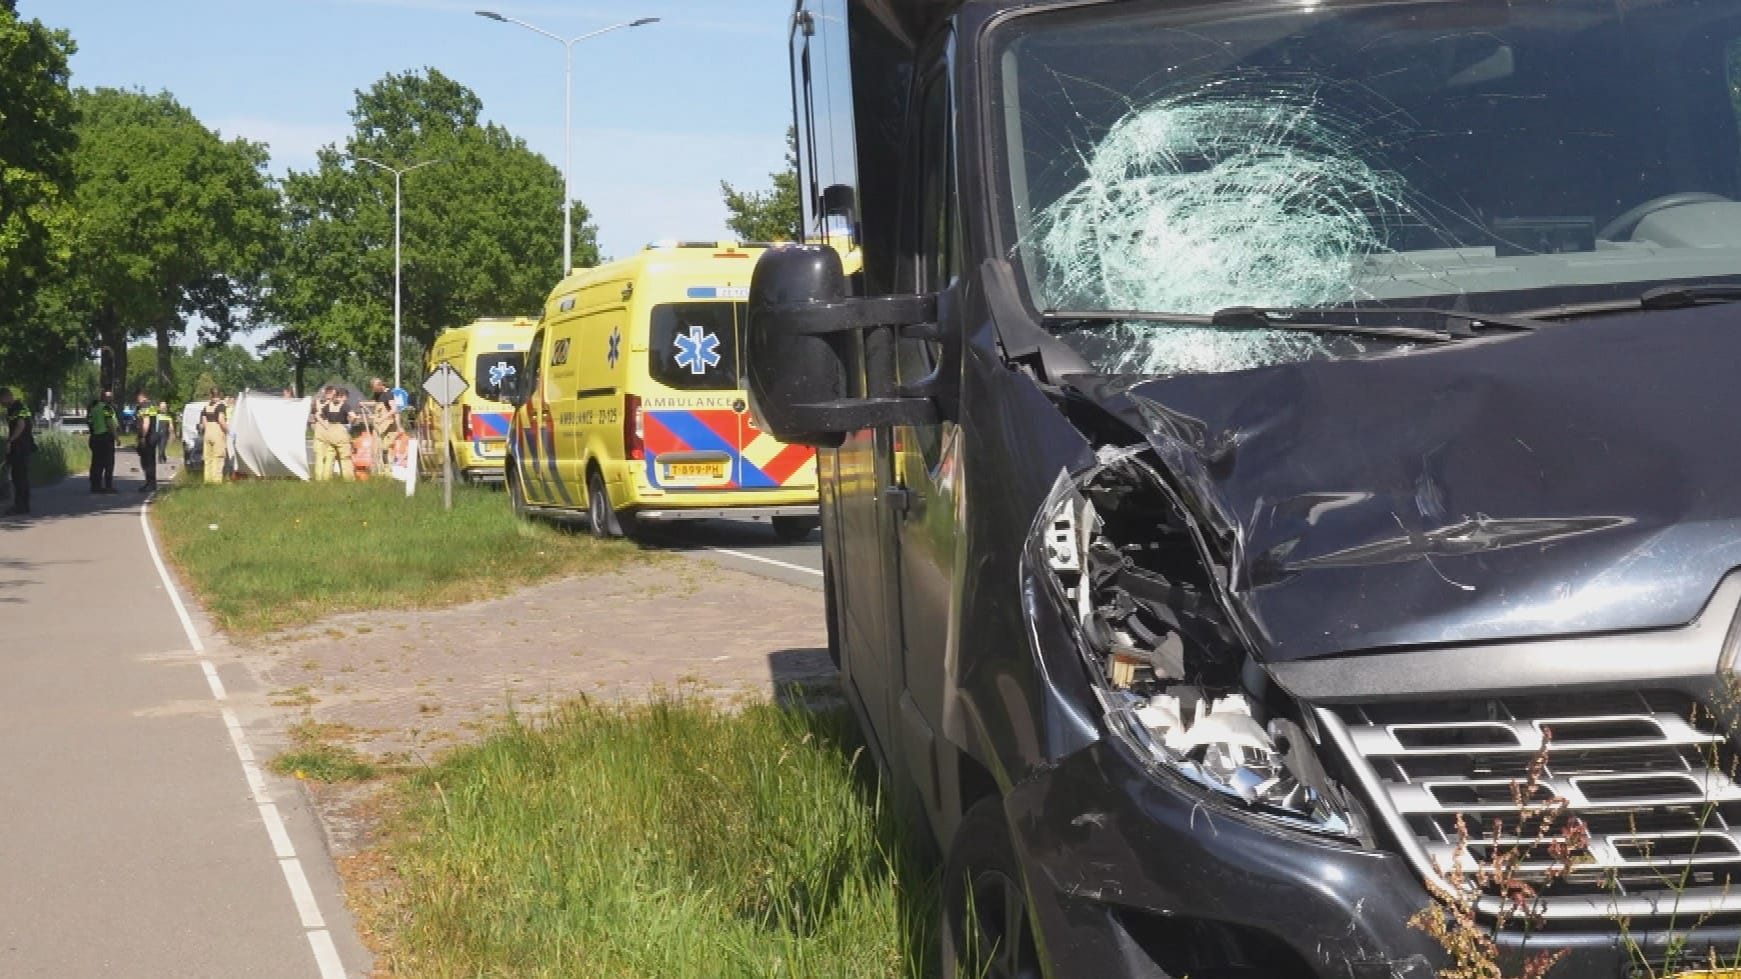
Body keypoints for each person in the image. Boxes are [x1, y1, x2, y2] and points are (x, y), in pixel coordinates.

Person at [311, 386, 356, 481]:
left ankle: (324, 479)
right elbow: (353, 416)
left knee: (328, 459)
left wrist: (325, 425)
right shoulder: (344, 406)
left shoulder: (324, 404)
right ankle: (349, 479)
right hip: (340, 433)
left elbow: (317, 414)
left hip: (329, 433)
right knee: (345, 458)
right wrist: (350, 424)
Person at [1, 387, 35, 516]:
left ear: (6, 397)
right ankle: (23, 505)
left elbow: (21, 425)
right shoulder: (16, 408)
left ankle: (20, 506)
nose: (1, 404)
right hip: (22, 447)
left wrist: (10, 440)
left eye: (1, 401)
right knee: (21, 477)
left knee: (19, 477)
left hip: (20, 447)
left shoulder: (18, 408)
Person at [87, 389, 120, 494]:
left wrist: (94, 432)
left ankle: (95, 485)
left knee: (96, 463)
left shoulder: (94, 408)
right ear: (103, 397)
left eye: (111, 396)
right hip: (105, 438)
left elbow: (89, 422)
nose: (110, 399)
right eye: (108, 397)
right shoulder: (106, 408)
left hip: (95, 438)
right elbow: (110, 423)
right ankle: (108, 486)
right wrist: (116, 438)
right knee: (108, 463)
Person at [368, 377, 402, 469]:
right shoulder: (378, 394)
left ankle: (387, 468)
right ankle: (378, 469)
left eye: (374, 388)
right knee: (376, 448)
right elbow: (376, 403)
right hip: (379, 427)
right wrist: (364, 403)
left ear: (380, 385)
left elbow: (394, 409)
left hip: (389, 426)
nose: (373, 390)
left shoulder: (389, 394)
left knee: (385, 448)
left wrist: (382, 419)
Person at [198, 388, 229, 484]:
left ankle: (207, 480)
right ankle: (216, 481)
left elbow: (203, 423)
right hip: (217, 431)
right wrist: (228, 431)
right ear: (220, 395)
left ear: (211, 395)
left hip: (207, 432)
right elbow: (221, 420)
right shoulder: (221, 406)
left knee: (208, 458)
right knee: (218, 457)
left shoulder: (206, 407)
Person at [133, 391, 158, 492]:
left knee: (148, 461)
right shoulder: (152, 405)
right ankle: (150, 483)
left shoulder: (145, 406)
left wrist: (143, 436)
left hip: (148, 436)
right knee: (148, 460)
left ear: (140, 397)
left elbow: (146, 422)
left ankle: (150, 483)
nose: (136, 401)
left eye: (136, 399)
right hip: (151, 435)